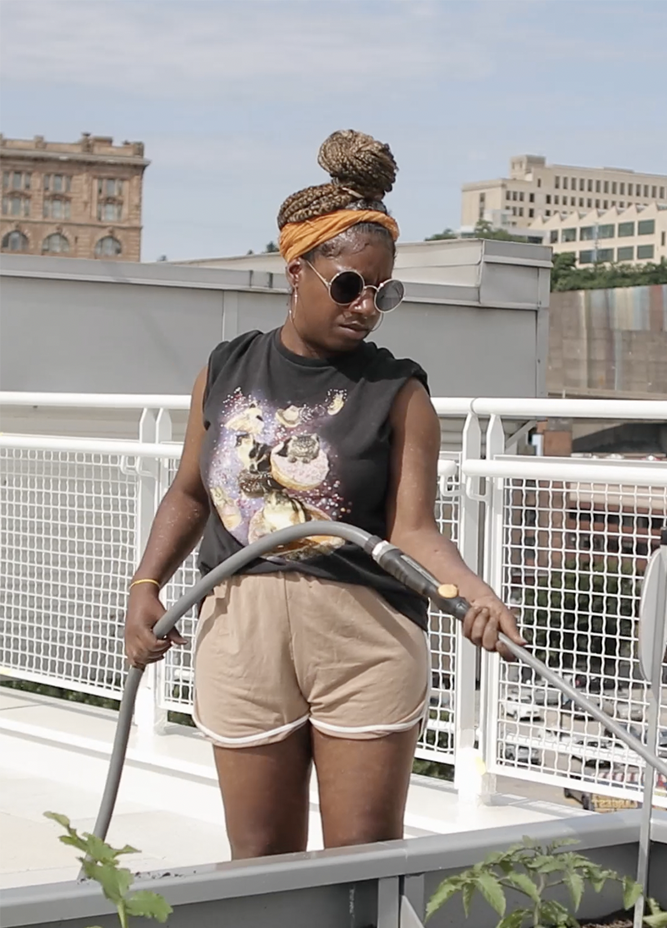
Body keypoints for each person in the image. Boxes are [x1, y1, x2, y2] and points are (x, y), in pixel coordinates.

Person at [124, 129, 523, 859]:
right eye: (348, 286)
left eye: (383, 292)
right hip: (240, 630)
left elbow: (415, 530)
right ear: (296, 272)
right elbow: (189, 491)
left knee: (363, 866)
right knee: (260, 863)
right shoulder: (226, 368)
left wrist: (473, 592)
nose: (365, 307)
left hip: (363, 635)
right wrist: (147, 583)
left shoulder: (399, 391)